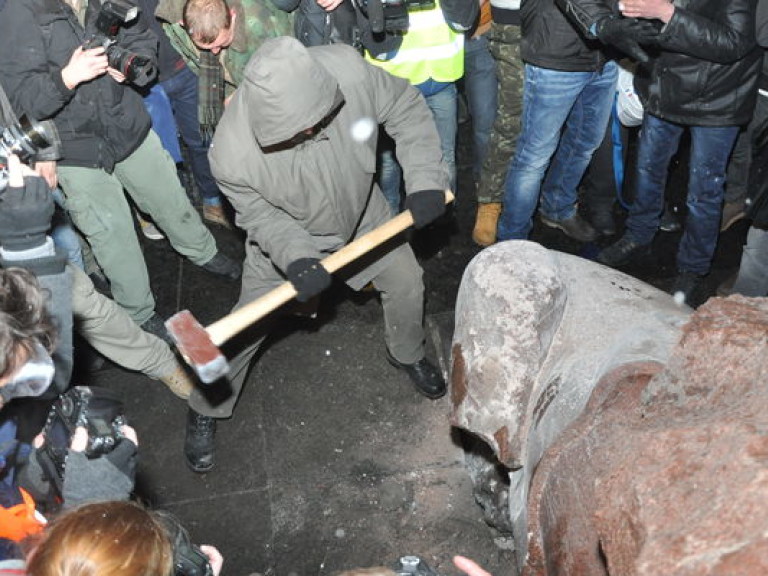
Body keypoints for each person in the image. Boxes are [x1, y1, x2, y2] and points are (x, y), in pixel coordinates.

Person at [182, 36, 451, 473]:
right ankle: (206, 407)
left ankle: (407, 352)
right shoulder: (231, 154)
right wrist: (296, 258)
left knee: (407, 281)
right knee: (243, 331)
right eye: (299, 131)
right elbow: (263, 219)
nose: (312, 131)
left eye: (319, 121)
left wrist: (424, 179)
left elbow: (405, 106)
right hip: (291, 241)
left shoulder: (349, 68)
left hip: (365, 215)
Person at [0, 0, 242, 342]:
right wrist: (68, 77)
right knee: (112, 237)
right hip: (76, 151)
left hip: (128, 125)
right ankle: (139, 312)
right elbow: (22, 102)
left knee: (169, 198)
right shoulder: (18, 13)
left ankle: (203, 251)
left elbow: (143, 35)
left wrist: (134, 67)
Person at [591, 0, 761, 304]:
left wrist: (666, 13)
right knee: (647, 167)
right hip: (664, 86)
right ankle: (639, 233)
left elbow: (734, 43)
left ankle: (693, 267)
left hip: (716, 100)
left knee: (703, 190)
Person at [494, 0, 659, 244]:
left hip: (604, 57)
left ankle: (557, 208)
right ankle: (511, 239)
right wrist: (603, 25)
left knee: (585, 143)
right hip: (555, 58)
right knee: (534, 156)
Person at [361, 0, 478, 214]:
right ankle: (391, 224)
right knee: (390, 162)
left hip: (441, 77)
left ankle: (441, 217)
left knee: (444, 156)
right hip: (395, 86)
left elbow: (465, 18)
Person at [470, 0, 521, 247]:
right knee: (508, 121)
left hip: (483, 34)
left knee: (487, 122)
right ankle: (487, 199)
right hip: (511, 29)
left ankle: (488, 193)